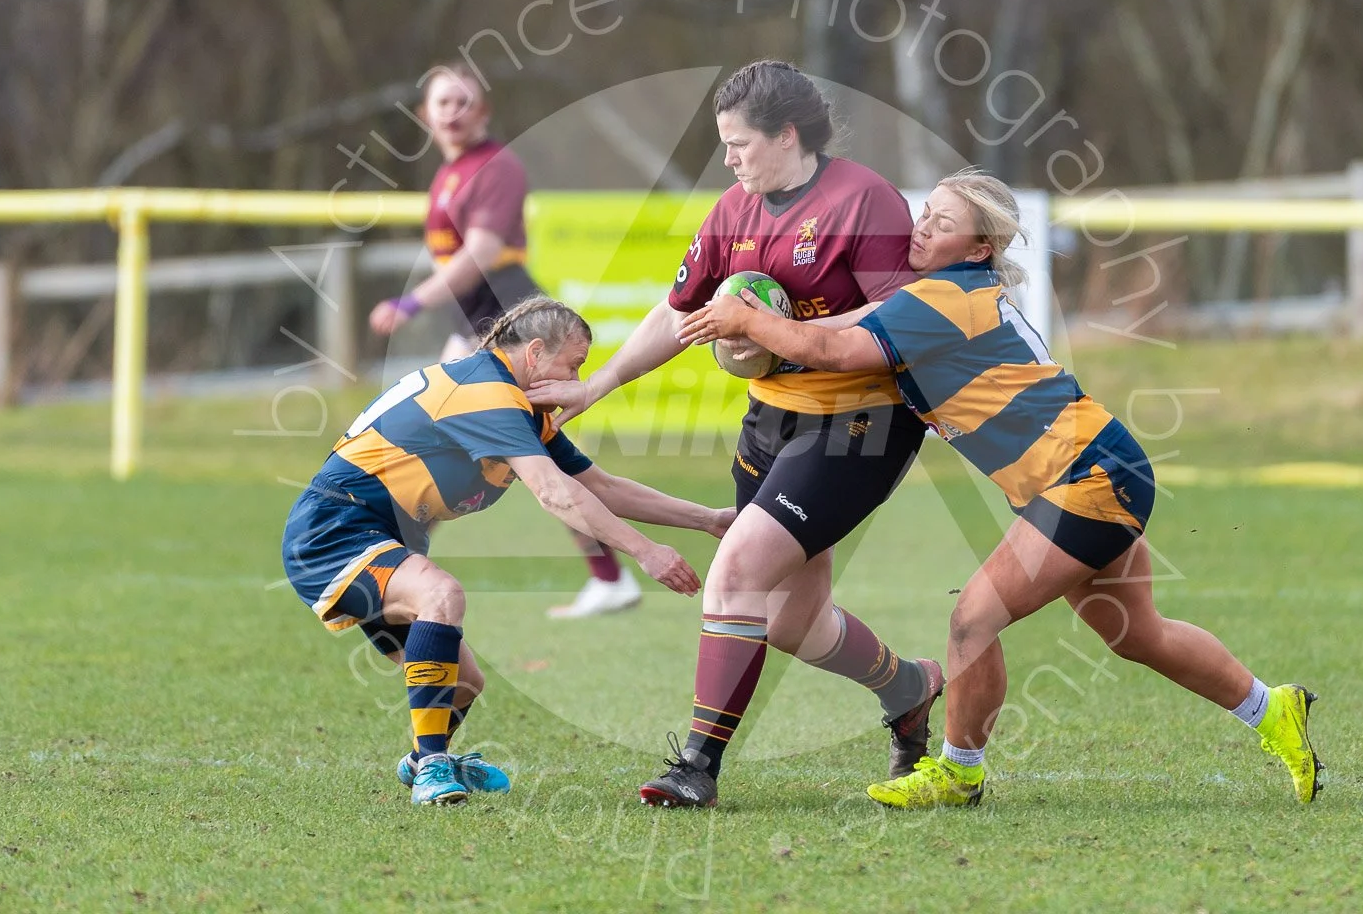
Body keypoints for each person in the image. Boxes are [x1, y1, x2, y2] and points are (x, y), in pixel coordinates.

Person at [678, 168, 1325, 808]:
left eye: (944, 222)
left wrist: (746, 319)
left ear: (979, 248)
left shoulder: (943, 299)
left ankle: (958, 772)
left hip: (1085, 479)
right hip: (1099, 469)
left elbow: (837, 352)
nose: (923, 227)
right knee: (1136, 634)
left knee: (973, 619)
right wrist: (764, 328)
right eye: (926, 212)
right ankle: (1272, 709)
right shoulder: (940, 296)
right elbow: (839, 333)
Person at [527, 60, 944, 809]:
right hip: (770, 420)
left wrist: (770, 326)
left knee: (736, 574)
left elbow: (900, 317)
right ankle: (909, 689)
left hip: (858, 422)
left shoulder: (864, 199)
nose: (728, 160)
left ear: (787, 135)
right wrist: (595, 385)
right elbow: (677, 312)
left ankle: (697, 765)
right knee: (790, 622)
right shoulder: (733, 209)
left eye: (739, 143)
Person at [284, 296, 734, 806]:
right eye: (574, 365)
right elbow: (554, 493)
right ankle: (432, 767)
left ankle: (420, 760)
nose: (576, 380)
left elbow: (603, 487)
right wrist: (645, 551)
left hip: (380, 537)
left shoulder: (518, 407)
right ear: (535, 353)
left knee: (465, 683)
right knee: (440, 594)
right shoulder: (487, 393)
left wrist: (708, 519)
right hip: (333, 530)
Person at [368, 61, 638, 620]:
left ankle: (610, 577)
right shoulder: (450, 173)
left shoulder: (496, 166)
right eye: (443, 102)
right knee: (445, 440)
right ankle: (396, 568)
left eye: (464, 101)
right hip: (473, 326)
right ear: (425, 115)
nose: (453, 111)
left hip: (509, 326)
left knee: (534, 457)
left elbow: (484, 254)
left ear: (484, 111)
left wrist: (411, 302)